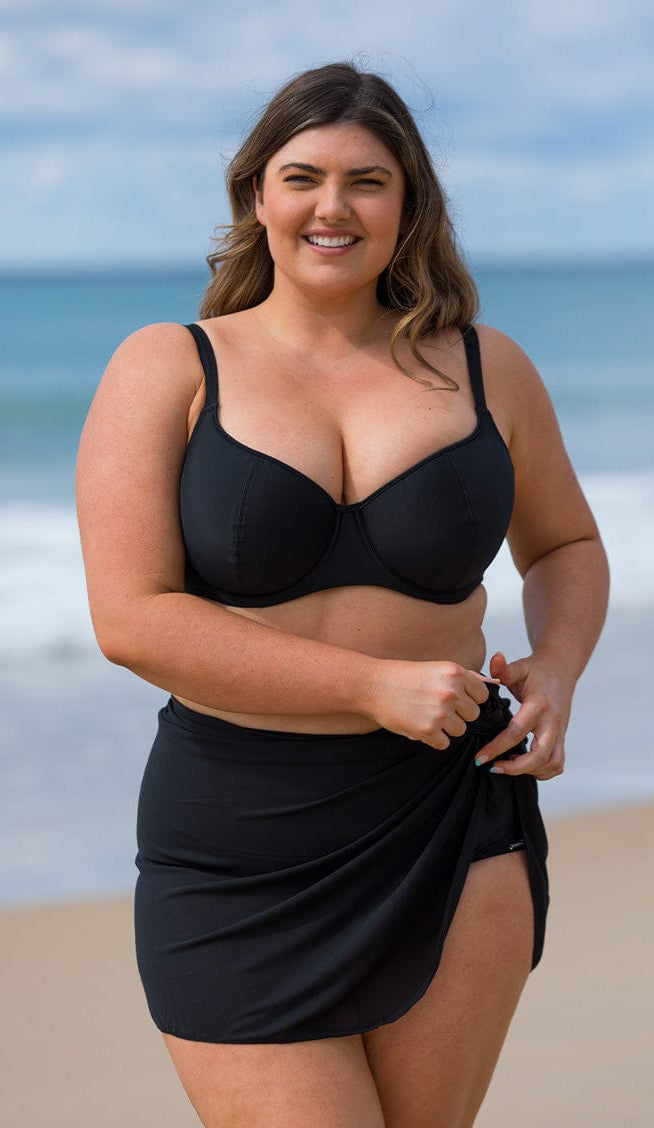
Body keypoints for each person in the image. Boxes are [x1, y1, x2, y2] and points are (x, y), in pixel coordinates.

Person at [77, 61, 608, 1128]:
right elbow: (130, 619)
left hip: (450, 818)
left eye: (366, 180)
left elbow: (564, 544)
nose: (332, 206)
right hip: (236, 839)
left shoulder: (486, 367)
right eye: (302, 176)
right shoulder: (168, 368)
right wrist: (367, 684)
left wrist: (552, 669)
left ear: (407, 202)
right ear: (256, 198)